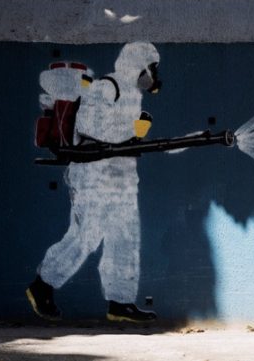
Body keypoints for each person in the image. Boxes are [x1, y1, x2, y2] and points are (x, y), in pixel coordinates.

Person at [26, 42, 161, 323]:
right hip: (92, 174)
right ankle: (42, 285)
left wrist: (135, 135)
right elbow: (89, 126)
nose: (153, 75)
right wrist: (130, 132)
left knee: (124, 238)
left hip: (122, 177)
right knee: (86, 235)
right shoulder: (105, 87)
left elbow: (123, 136)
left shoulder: (133, 95)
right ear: (138, 65)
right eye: (151, 67)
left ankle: (120, 302)